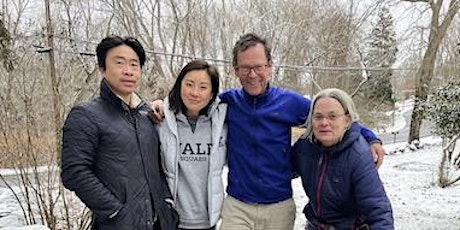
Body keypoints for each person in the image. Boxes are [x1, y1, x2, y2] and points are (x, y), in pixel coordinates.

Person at [150, 33, 385, 230]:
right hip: (237, 205)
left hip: (279, 206)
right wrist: (161, 105)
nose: (252, 74)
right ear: (236, 70)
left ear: (270, 67)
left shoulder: (289, 103)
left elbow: (330, 114)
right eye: (245, 68)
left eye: (259, 67)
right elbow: (194, 100)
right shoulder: (226, 103)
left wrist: (370, 137)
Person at [61, 35, 178, 230]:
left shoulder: (147, 115)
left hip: (160, 222)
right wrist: (115, 212)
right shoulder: (85, 115)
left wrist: (167, 203)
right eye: (119, 63)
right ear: (102, 69)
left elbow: (159, 167)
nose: (128, 71)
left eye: (134, 65)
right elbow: (74, 172)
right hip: (118, 224)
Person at [290, 88, 394, 229]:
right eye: (318, 117)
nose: (324, 123)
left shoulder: (358, 155)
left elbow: (377, 210)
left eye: (332, 116)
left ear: (347, 120)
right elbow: (283, 170)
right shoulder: (305, 147)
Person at [157, 60, 227, 230]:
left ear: (212, 93)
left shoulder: (223, 122)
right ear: (179, 85)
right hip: (172, 220)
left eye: (203, 87)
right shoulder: (161, 121)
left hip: (208, 220)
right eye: (189, 84)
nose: (195, 93)